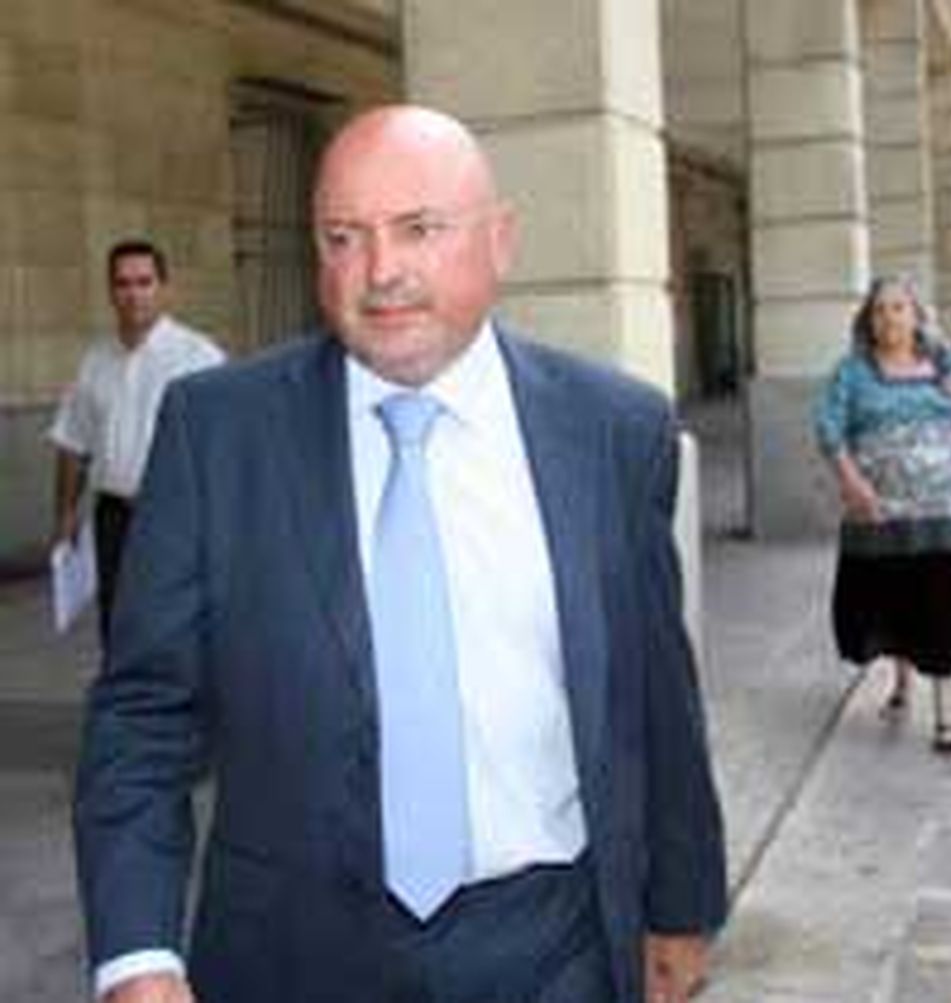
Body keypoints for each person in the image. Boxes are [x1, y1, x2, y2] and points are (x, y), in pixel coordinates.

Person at [73, 105, 727, 1003]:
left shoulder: (613, 431)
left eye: (419, 229)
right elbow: (143, 713)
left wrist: (682, 906)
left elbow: (656, 694)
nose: (380, 271)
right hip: (293, 956)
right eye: (343, 238)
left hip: (553, 946)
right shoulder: (217, 432)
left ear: (500, 240)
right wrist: (137, 954)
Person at [814, 275, 951, 755]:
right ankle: (901, 680)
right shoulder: (852, 372)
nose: (889, 318)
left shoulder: (944, 365)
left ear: (916, 316)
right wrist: (851, 482)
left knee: (946, 607)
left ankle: (948, 716)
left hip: (945, 512)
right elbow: (828, 428)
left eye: (898, 308)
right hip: (878, 514)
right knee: (890, 601)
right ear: (867, 321)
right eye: (879, 310)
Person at [48, 240, 225, 641]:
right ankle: (123, 684)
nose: (133, 294)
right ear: (110, 291)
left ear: (164, 288)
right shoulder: (95, 360)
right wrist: (65, 515)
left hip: (176, 516)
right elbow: (72, 442)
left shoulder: (199, 358)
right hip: (112, 517)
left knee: (174, 623)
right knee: (116, 621)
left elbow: (225, 448)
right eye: (123, 283)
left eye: (144, 282)